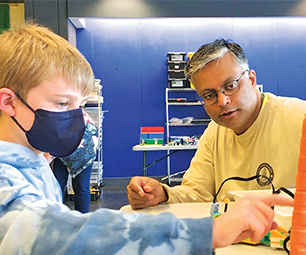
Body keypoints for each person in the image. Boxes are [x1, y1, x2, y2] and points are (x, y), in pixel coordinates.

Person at [0, 23, 294, 254]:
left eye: (79, 106)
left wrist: (162, 194)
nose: (224, 101)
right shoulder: (8, 176)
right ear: (9, 103)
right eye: (62, 105)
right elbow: (50, 237)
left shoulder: (34, 165)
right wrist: (208, 232)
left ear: (251, 79)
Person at [127, 38, 306, 210]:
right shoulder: (215, 132)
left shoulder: (298, 118)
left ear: (252, 80)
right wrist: (162, 194)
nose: (223, 101)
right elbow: (196, 192)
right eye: (209, 95)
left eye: (230, 86)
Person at [51, 110, 98, 213]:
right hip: (61, 152)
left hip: (84, 150)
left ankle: (82, 220)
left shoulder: (79, 119)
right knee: (56, 186)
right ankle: (55, 217)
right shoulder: (52, 116)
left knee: (81, 186)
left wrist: (49, 155)